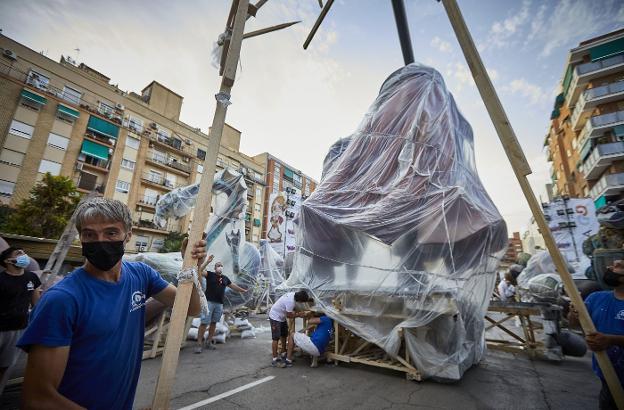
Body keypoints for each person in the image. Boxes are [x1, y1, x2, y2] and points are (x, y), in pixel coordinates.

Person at [17, 198, 206, 410]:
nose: (101, 241)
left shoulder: (141, 275)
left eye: (111, 233)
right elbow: (37, 400)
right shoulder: (61, 300)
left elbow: (190, 308)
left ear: (128, 235)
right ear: (81, 238)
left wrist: (192, 269)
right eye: (90, 234)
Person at [568, 260, 624, 410]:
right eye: (612, 265)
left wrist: (610, 340)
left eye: (618, 266)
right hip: (607, 376)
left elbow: (608, 339)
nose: (609, 268)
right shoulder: (596, 298)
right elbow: (574, 324)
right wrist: (573, 314)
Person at [0, 247, 41, 395]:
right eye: (19, 254)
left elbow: (36, 304)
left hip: (18, 329)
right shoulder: (1, 280)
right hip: (1, 329)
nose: (24, 256)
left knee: (5, 367)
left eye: (24, 253)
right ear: (7, 261)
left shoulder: (32, 278)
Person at [195, 261, 248, 353]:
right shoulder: (210, 274)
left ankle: (208, 342)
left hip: (219, 304)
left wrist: (243, 290)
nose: (220, 267)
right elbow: (199, 271)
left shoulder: (225, 278)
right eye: (218, 266)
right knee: (204, 323)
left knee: (214, 323)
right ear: (215, 268)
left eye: (221, 266)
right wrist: (207, 261)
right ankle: (199, 344)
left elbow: (233, 286)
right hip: (209, 303)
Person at [268, 290, 312, 368]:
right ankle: (274, 359)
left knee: (284, 335)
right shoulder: (290, 302)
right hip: (275, 316)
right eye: (302, 302)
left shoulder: (294, 294)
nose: (301, 304)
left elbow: (290, 312)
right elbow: (289, 315)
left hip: (281, 317)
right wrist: (299, 315)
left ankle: (283, 352)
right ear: (300, 300)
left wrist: (297, 313)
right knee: (276, 338)